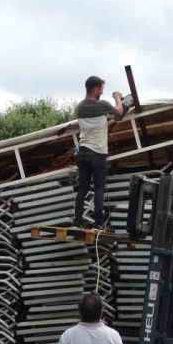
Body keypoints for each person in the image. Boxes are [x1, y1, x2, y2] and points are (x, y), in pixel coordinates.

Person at [73, 75, 124, 229]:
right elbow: (119, 115)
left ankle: (77, 220)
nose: (102, 91)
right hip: (98, 154)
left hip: (83, 152)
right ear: (95, 89)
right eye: (101, 88)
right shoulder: (102, 105)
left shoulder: (79, 107)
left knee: (82, 188)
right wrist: (118, 98)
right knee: (99, 188)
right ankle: (98, 223)